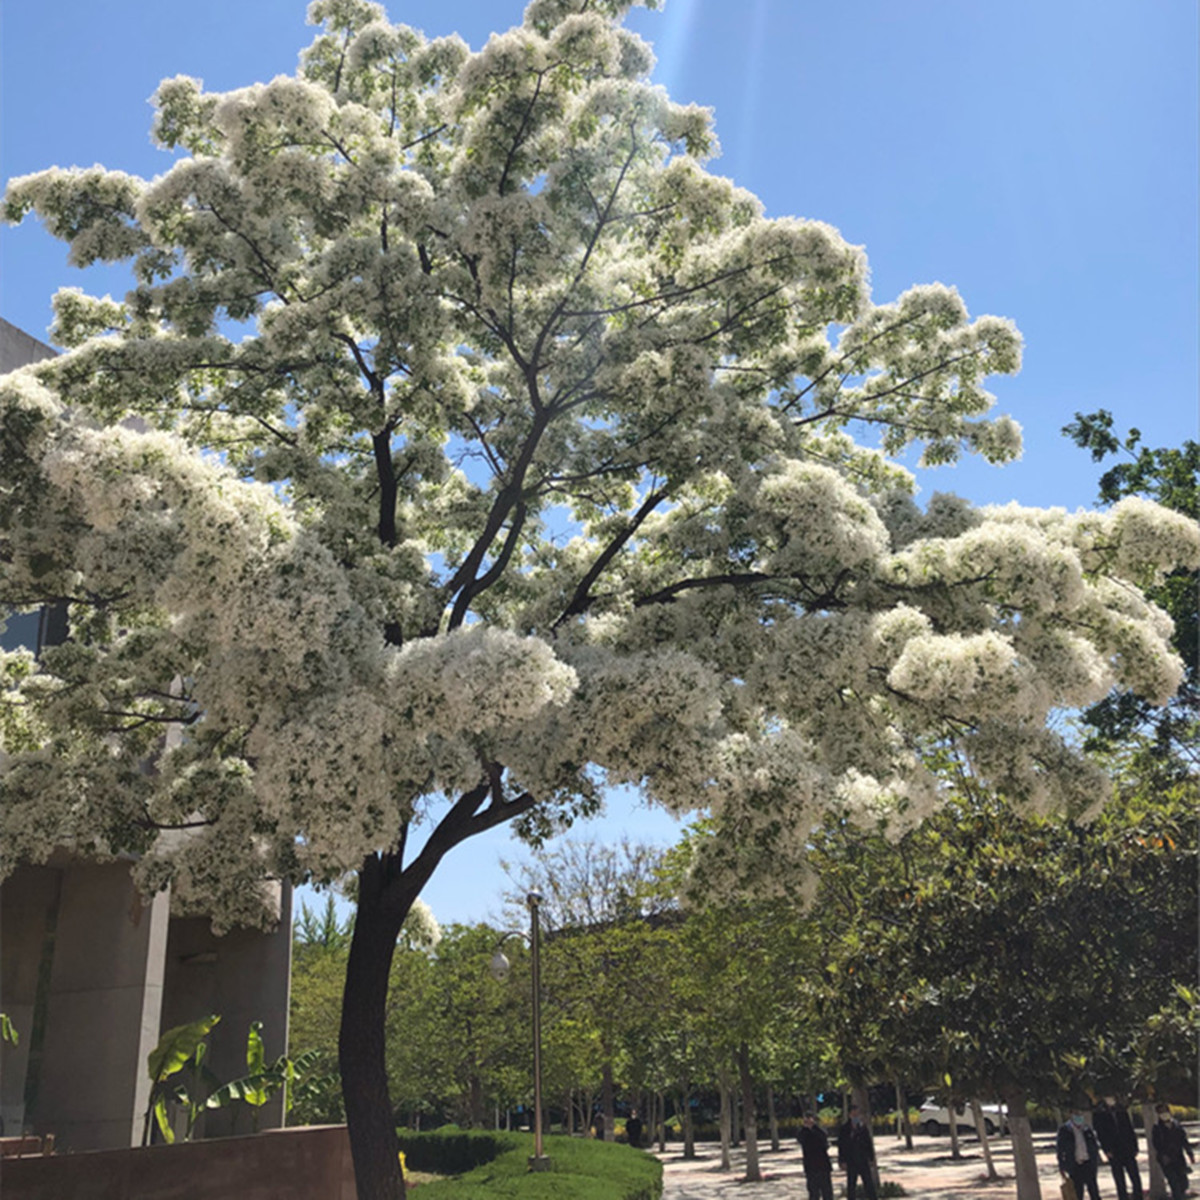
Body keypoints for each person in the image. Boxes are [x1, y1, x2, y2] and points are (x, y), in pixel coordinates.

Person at [1093, 1095, 1143, 1200]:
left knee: (1135, 1177)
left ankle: (1138, 1197)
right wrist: (1106, 1150)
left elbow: (1130, 1129)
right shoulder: (1100, 1114)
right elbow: (1101, 1134)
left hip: (1128, 1149)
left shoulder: (1121, 1111)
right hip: (1114, 1151)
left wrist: (1135, 1147)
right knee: (1119, 1180)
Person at [1056, 1109, 1103, 1200]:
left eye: (1080, 1114)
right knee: (1077, 1193)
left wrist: (1094, 1160)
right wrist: (1062, 1166)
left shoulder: (1087, 1129)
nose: (1079, 1117)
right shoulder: (1065, 1130)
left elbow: (1094, 1146)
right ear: (1070, 1115)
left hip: (1088, 1164)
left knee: (1094, 1192)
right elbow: (1060, 1149)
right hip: (1075, 1166)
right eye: (1076, 1114)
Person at [1151, 1103, 1194, 1200]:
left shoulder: (1176, 1125)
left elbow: (1184, 1140)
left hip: (1178, 1158)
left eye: (1165, 1111)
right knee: (1174, 1183)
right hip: (1166, 1160)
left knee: (1183, 1183)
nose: (1163, 1114)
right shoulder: (1157, 1128)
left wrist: (1189, 1153)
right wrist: (1163, 1155)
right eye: (1161, 1112)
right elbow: (1156, 1144)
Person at [838, 1105, 878, 1200]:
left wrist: (871, 1158)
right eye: (853, 1114)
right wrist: (841, 1161)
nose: (855, 1116)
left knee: (868, 1183)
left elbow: (868, 1143)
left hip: (863, 1159)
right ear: (849, 1114)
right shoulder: (844, 1129)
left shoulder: (863, 1127)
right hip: (851, 1161)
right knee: (851, 1184)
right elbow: (841, 1146)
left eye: (857, 1114)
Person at [798, 1112, 834, 1200]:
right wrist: (806, 1128)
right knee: (813, 1193)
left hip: (823, 1166)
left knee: (827, 1192)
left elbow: (823, 1138)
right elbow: (800, 1139)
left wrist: (813, 1127)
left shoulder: (820, 1130)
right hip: (811, 1167)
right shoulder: (803, 1132)